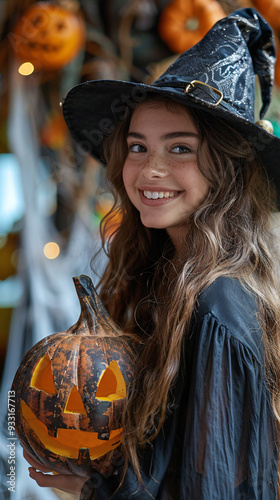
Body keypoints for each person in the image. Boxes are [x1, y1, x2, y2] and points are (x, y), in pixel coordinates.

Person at [24, 8, 280, 499]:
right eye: (138, 147)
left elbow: (212, 491)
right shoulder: (169, 276)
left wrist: (92, 492)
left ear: (225, 169)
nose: (149, 170)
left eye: (179, 149)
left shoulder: (217, 307)